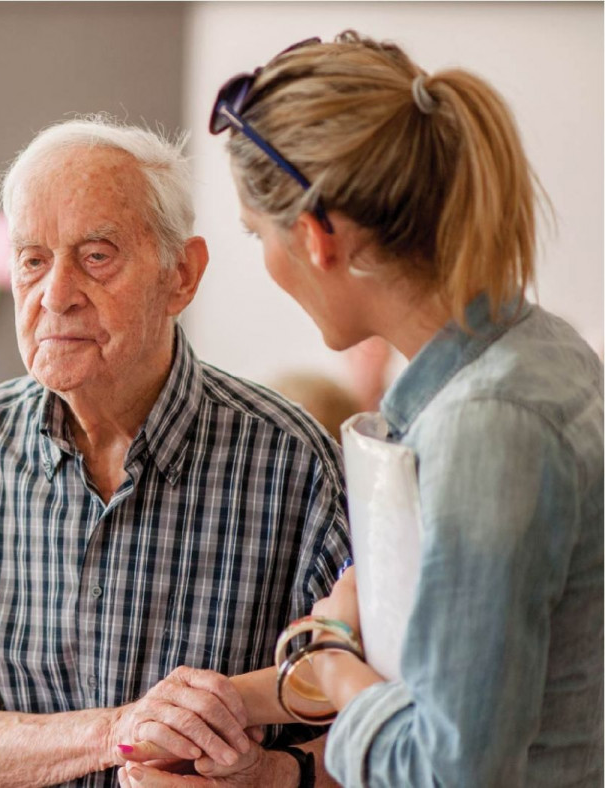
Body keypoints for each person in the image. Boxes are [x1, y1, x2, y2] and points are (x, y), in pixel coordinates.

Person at [120, 31, 602, 788]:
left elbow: (453, 771)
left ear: (315, 238)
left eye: (257, 236)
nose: (266, 259)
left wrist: (336, 670)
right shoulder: (536, 353)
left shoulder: (488, 425)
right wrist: (257, 684)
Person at [0, 118, 352, 788]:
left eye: (97, 256)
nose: (56, 294)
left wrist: (270, 776)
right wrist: (120, 732)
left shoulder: (292, 459)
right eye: (32, 260)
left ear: (182, 276)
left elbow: (372, 724)